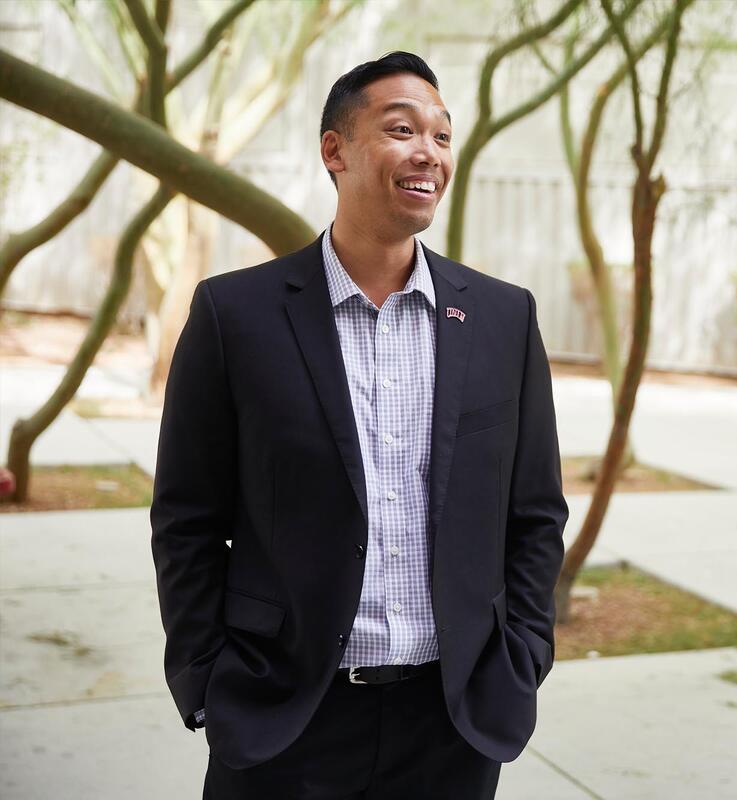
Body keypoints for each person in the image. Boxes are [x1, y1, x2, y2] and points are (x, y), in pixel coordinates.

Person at [151, 51, 567, 799]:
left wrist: (524, 653)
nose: (429, 153)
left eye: (443, 136)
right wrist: (205, 675)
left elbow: (533, 513)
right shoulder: (234, 316)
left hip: (452, 725)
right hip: (286, 719)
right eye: (402, 129)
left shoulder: (505, 318)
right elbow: (187, 517)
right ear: (334, 150)